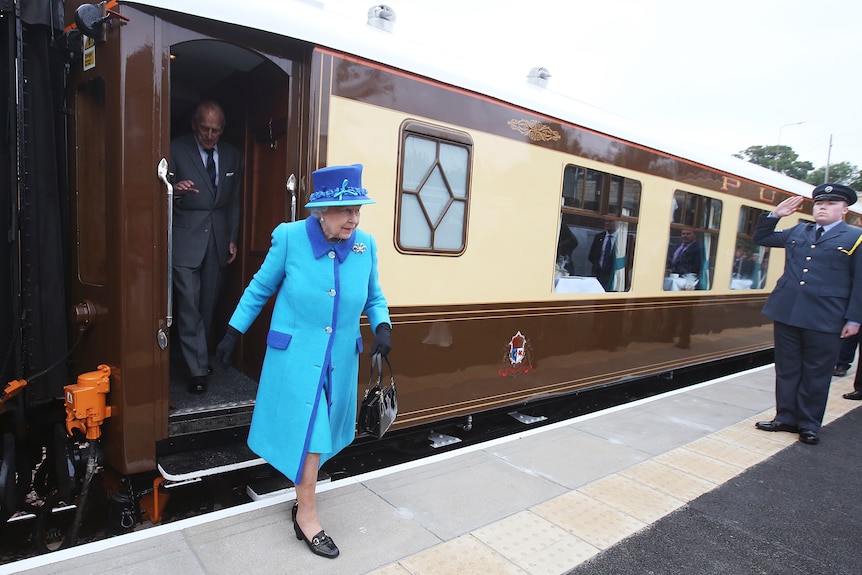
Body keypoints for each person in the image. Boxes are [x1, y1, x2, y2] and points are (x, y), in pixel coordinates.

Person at [214, 164, 391, 559]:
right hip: (295, 359)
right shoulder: (291, 238)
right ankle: (307, 517)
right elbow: (260, 288)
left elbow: (375, 297)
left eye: (358, 209)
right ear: (320, 211)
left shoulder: (366, 245)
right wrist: (232, 332)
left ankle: (303, 495)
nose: (354, 218)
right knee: (311, 437)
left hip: (340, 361)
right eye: (346, 210)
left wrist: (382, 327)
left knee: (322, 437)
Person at [752, 183, 862, 445]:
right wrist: (775, 215)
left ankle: (809, 424)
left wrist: (854, 318)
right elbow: (762, 238)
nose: (823, 207)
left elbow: (860, 281)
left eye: (831, 203)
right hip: (788, 311)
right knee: (787, 369)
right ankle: (785, 418)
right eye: (820, 203)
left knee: (817, 372)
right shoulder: (799, 230)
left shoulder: (855, 237)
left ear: (844, 209)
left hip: (826, 316)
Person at [171, 100, 242, 393]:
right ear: (194, 125)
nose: (209, 135)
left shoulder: (233, 156)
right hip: (185, 240)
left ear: (222, 129)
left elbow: (234, 202)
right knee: (188, 306)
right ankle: (197, 369)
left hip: (217, 239)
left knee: (208, 305)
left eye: (215, 130)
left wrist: (232, 237)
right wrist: (174, 191)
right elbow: (158, 193)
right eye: (204, 129)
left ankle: (198, 356)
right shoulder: (174, 149)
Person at [588, 220, 616, 290]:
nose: (607, 223)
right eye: (606, 221)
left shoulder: (622, 239)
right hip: (598, 274)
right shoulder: (599, 237)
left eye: (610, 221)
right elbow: (591, 256)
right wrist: (597, 266)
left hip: (612, 275)